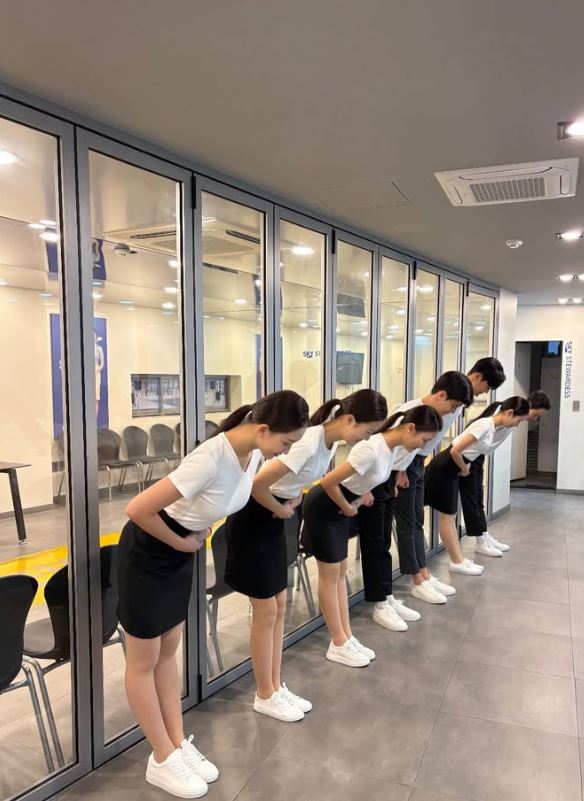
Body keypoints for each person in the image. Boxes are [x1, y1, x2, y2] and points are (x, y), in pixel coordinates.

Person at [117, 390, 309, 799]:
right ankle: (161, 757)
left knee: (169, 650)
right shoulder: (210, 457)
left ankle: (176, 742)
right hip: (149, 554)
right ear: (263, 429)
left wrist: (189, 541)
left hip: (180, 550)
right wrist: (183, 543)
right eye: (286, 442)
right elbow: (137, 509)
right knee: (143, 660)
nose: (286, 452)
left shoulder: (252, 456)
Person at [225, 389, 388, 721]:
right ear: (349, 420)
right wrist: (281, 509)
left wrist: (289, 503)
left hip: (275, 517)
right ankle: (264, 693)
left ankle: (274, 686)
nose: (365, 438)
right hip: (256, 519)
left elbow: (286, 483)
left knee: (279, 606)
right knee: (266, 611)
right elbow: (257, 485)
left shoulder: (327, 444)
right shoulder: (309, 442)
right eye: (366, 431)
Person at [354, 406, 443, 633]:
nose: (422, 446)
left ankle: (387, 595)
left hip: (384, 484)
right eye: (424, 440)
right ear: (410, 428)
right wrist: (364, 491)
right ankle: (379, 603)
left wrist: (395, 481)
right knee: (375, 545)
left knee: (384, 543)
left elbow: (393, 465)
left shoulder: (394, 445)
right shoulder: (374, 445)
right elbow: (343, 477)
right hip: (370, 490)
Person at [389, 371, 475, 605]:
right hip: (401, 468)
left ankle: (424, 573)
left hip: (416, 463)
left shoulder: (431, 413)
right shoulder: (410, 411)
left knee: (418, 518)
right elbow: (393, 445)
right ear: (441, 395)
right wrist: (399, 471)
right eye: (453, 406)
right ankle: (416, 579)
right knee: (407, 522)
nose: (452, 411)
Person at [424, 396, 529, 575]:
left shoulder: (492, 427)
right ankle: (456, 561)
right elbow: (455, 450)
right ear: (510, 413)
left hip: (451, 469)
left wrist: (465, 467)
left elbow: (469, 452)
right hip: (444, 468)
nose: (517, 425)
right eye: (518, 420)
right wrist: (465, 469)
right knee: (447, 518)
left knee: (449, 516)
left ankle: (458, 560)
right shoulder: (484, 425)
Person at [462, 389, 552, 557]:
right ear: (528, 405)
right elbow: (473, 434)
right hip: (468, 457)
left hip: (478, 456)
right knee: (472, 499)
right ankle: (480, 541)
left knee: (478, 498)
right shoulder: (500, 413)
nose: (535, 419)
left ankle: (484, 536)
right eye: (535, 415)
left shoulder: (513, 417)